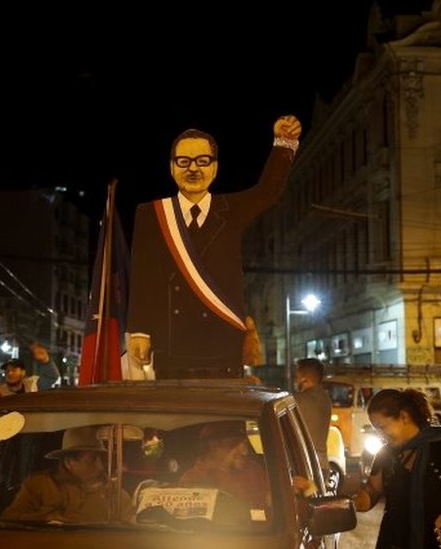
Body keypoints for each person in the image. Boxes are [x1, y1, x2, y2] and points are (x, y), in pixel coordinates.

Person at [127, 116, 302, 379]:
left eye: (202, 161)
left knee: (223, 419)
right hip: (172, 346)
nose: (193, 169)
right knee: (174, 419)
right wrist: (139, 330)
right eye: (183, 162)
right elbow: (142, 275)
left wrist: (284, 142)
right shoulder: (151, 214)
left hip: (222, 343)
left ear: (215, 167)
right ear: (172, 167)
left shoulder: (231, 210)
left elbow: (268, 191)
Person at [353, 389, 441, 549]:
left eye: (382, 427)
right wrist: (347, 504)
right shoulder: (385, 454)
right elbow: (372, 490)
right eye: (377, 430)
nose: (381, 435)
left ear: (404, 417)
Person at [1, 425, 133, 523]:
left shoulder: (115, 494)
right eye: (91, 460)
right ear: (69, 462)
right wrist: (44, 518)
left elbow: (130, 529)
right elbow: (8, 519)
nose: (99, 466)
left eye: (101, 459)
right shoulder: (39, 485)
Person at [179, 420, 272, 509]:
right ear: (213, 445)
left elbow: (270, 504)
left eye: (245, 444)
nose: (244, 452)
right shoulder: (193, 480)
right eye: (234, 444)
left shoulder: (253, 470)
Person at [293, 358, 332, 480]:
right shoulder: (325, 399)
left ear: (305, 380)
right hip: (323, 464)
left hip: (305, 466)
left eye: (296, 377)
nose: (294, 381)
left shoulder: (300, 400)